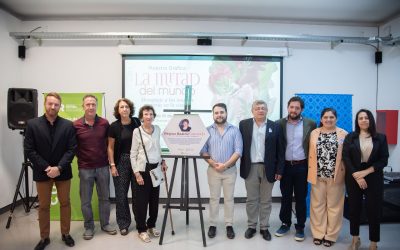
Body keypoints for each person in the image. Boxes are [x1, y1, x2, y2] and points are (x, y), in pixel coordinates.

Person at [24, 92, 77, 250]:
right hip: (43, 172)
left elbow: (71, 149)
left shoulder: (68, 125)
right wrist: (47, 168)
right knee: (43, 207)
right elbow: (29, 150)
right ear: (45, 104)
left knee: (65, 203)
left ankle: (65, 234)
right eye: (50, 103)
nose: (53, 107)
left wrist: (59, 167)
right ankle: (44, 237)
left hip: (63, 172)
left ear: (60, 106)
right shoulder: (32, 124)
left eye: (56, 104)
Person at [343, 109, 389, 250]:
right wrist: (357, 175)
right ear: (357, 121)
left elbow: (383, 160)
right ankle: (355, 239)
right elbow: (346, 158)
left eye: (366, 117)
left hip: (374, 177)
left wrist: (365, 172)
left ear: (371, 120)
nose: (363, 120)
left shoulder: (381, 137)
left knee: (373, 210)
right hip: (353, 177)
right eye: (360, 118)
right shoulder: (350, 137)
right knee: (354, 209)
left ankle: (374, 243)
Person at [239, 100, 284, 241]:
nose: (260, 110)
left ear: (267, 110)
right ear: (252, 110)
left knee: (266, 200)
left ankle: (264, 227)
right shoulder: (244, 124)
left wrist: (280, 170)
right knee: (251, 199)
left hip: (269, 168)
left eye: (263, 108)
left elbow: (281, 150)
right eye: (257, 108)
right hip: (250, 166)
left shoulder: (275, 126)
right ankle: (251, 226)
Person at [73, 94, 117, 240]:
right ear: (83, 106)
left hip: (103, 167)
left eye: (93, 104)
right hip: (85, 168)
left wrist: (111, 164)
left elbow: (110, 145)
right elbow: (73, 146)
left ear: (96, 106)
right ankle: (89, 226)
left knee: (104, 198)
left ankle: (105, 224)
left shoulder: (105, 123)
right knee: (85, 200)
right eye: (88, 104)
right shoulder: (76, 125)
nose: (91, 107)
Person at [275, 96, 316, 241]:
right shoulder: (278, 123)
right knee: (285, 197)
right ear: (288, 108)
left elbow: (313, 145)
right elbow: (276, 148)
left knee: (300, 197)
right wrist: (277, 169)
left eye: (297, 108)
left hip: (302, 166)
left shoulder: (310, 124)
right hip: (285, 167)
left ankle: (300, 227)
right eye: (291, 107)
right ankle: (285, 223)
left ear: (302, 109)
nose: (294, 110)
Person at [201, 103, 243, 239]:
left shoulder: (234, 130)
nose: (219, 115)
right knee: (214, 198)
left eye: (221, 112)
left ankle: (229, 225)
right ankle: (213, 224)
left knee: (229, 199)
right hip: (213, 171)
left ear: (226, 113)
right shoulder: (207, 131)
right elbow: (203, 151)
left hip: (230, 171)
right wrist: (213, 164)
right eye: (216, 113)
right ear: (213, 115)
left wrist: (225, 165)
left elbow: (238, 151)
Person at [308, 107, 348, 247]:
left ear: (336, 119)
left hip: (336, 176)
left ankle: (331, 235)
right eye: (325, 117)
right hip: (317, 175)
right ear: (321, 119)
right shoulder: (314, 133)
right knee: (317, 206)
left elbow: (347, 156)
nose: (328, 120)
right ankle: (318, 234)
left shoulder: (343, 134)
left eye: (331, 117)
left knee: (334, 207)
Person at [130, 105, 168, 243]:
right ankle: (142, 229)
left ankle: (151, 225)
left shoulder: (157, 129)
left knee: (154, 200)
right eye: (146, 114)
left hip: (156, 168)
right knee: (141, 202)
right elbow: (133, 154)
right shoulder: (137, 131)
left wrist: (163, 161)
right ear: (141, 116)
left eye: (151, 114)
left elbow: (159, 148)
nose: (149, 116)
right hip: (142, 169)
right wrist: (136, 174)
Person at [107, 98, 141, 235]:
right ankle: (123, 223)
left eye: (126, 107)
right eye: (121, 107)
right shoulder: (113, 126)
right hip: (121, 161)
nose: (124, 109)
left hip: (137, 162)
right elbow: (110, 148)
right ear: (118, 110)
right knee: (121, 195)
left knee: (138, 194)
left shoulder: (137, 122)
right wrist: (112, 165)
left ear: (130, 109)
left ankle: (140, 222)